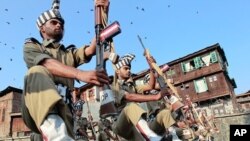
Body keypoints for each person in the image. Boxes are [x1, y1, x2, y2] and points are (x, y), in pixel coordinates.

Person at [21, 0, 109, 140]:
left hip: (65, 110)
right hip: (39, 114)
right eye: (54, 22)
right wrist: (80, 74)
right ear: (42, 28)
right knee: (35, 71)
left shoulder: (69, 53)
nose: (59, 25)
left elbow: (92, 48)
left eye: (61, 23)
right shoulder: (32, 46)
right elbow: (46, 63)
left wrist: (103, 13)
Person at [111, 53, 183, 141]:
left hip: (137, 125)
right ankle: (154, 139)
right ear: (117, 71)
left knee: (165, 113)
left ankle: (175, 139)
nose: (129, 71)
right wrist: (156, 97)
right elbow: (129, 97)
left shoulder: (131, 86)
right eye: (125, 68)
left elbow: (150, 86)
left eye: (129, 68)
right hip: (122, 126)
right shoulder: (114, 87)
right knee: (131, 107)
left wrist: (151, 68)